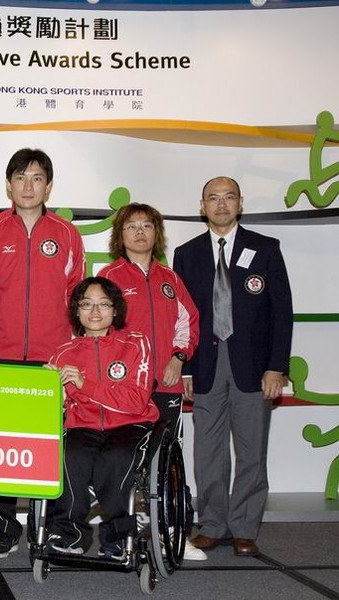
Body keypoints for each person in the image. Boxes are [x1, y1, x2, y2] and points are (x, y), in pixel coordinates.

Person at [173, 176, 293, 557]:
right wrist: (186, 368)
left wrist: (277, 367)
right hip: (205, 365)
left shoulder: (266, 248)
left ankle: (244, 528)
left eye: (228, 198)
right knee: (207, 452)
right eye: (213, 198)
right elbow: (183, 318)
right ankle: (211, 524)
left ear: (240, 203)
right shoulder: (185, 253)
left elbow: (282, 313)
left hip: (255, 369)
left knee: (251, 452)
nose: (221, 204)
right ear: (202, 205)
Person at [0, 148, 86, 558]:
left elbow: (80, 300)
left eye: (37, 178)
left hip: (52, 360)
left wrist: (71, 351)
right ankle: (4, 527)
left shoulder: (67, 235)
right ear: (8, 184)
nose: (28, 186)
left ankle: (60, 528)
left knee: (55, 445)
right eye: (20, 177)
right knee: (1, 444)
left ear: (49, 185)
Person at [98, 203, 206, 561]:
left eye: (147, 225)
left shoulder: (170, 279)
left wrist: (178, 357)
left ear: (156, 233)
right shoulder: (108, 277)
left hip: (166, 387)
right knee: (124, 461)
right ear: (120, 235)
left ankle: (175, 532)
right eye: (132, 226)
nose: (140, 232)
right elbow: (97, 331)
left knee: (168, 463)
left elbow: (187, 323)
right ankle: (119, 535)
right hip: (125, 391)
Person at [46, 277, 159, 558]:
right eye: (86, 304)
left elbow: (136, 400)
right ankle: (68, 534)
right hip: (82, 426)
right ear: (76, 311)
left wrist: (86, 385)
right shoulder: (62, 354)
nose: (95, 312)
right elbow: (54, 406)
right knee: (69, 456)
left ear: (116, 310)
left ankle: (119, 537)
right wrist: (47, 388)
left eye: (103, 304)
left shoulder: (136, 344)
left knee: (116, 459)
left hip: (130, 424)